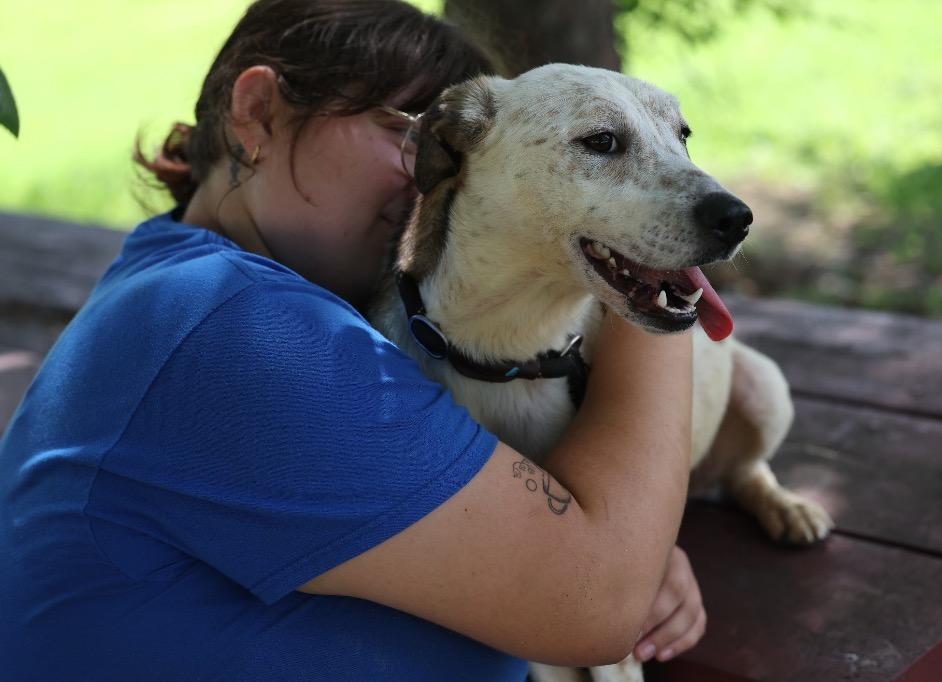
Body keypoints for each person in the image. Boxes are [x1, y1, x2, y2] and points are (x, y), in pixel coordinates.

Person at [0, 1, 704, 679]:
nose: (446, 184)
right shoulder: (238, 326)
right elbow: (597, 599)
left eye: (466, 159)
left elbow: (579, 548)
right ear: (258, 114)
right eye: (413, 136)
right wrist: (658, 265)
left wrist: (631, 522)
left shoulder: (182, 293)